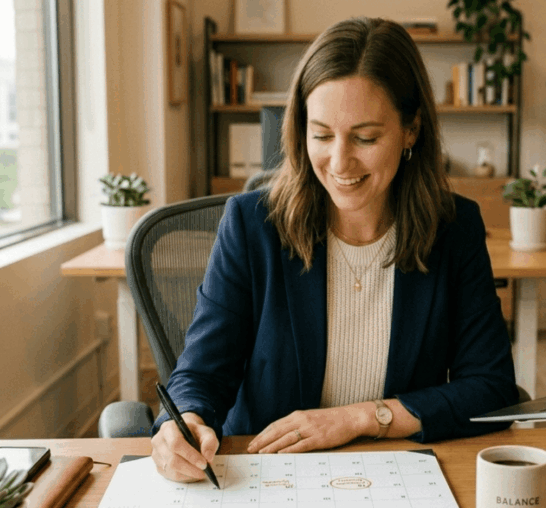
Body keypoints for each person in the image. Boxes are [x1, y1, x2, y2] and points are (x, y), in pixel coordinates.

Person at [151, 16, 519, 483]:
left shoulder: (454, 228)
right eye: (322, 134)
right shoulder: (251, 226)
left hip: (396, 479)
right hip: (267, 478)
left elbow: (491, 389)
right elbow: (200, 374)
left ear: (411, 130)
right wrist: (183, 423)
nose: (340, 161)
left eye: (366, 137)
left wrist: (362, 417)